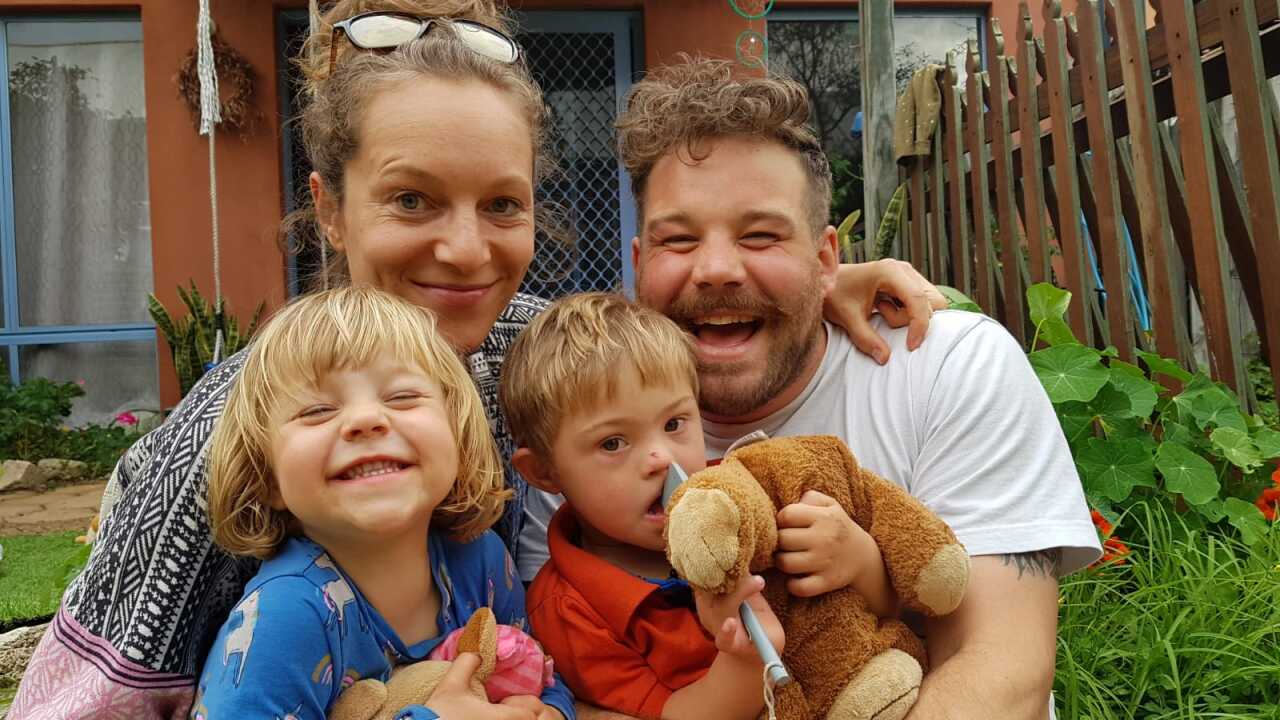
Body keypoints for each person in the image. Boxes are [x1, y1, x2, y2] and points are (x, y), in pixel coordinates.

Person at [10, 3, 944, 717]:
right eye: (411, 200)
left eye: (502, 205)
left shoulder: (525, 344)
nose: (465, 252)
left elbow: (643, 354)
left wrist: (817, 283)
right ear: (329, 207)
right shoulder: (225, 431)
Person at [614, 57, 1102, 720]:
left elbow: (1001, 671)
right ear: (639, 263)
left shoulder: (944, 366)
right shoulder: (590, 421)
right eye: (678, 240)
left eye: (760, 236)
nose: (717, 269)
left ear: (825, 262)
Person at [501, 292, 899, 720]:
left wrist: (859, 561)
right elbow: (671, 714)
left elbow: (887, 611)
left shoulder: (745, 495)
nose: (661, 458)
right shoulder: (567, 610)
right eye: (612, 443)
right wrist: (745, 661)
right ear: (544, 471)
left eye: (674, 424)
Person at [188, 286, 572, 719]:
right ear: (267, 477)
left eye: (402, 397)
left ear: (458, 440)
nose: (366, 419)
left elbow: (541, 674)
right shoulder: (285, 617)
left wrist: (548, 711)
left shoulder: (481, 560)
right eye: (316, 410)